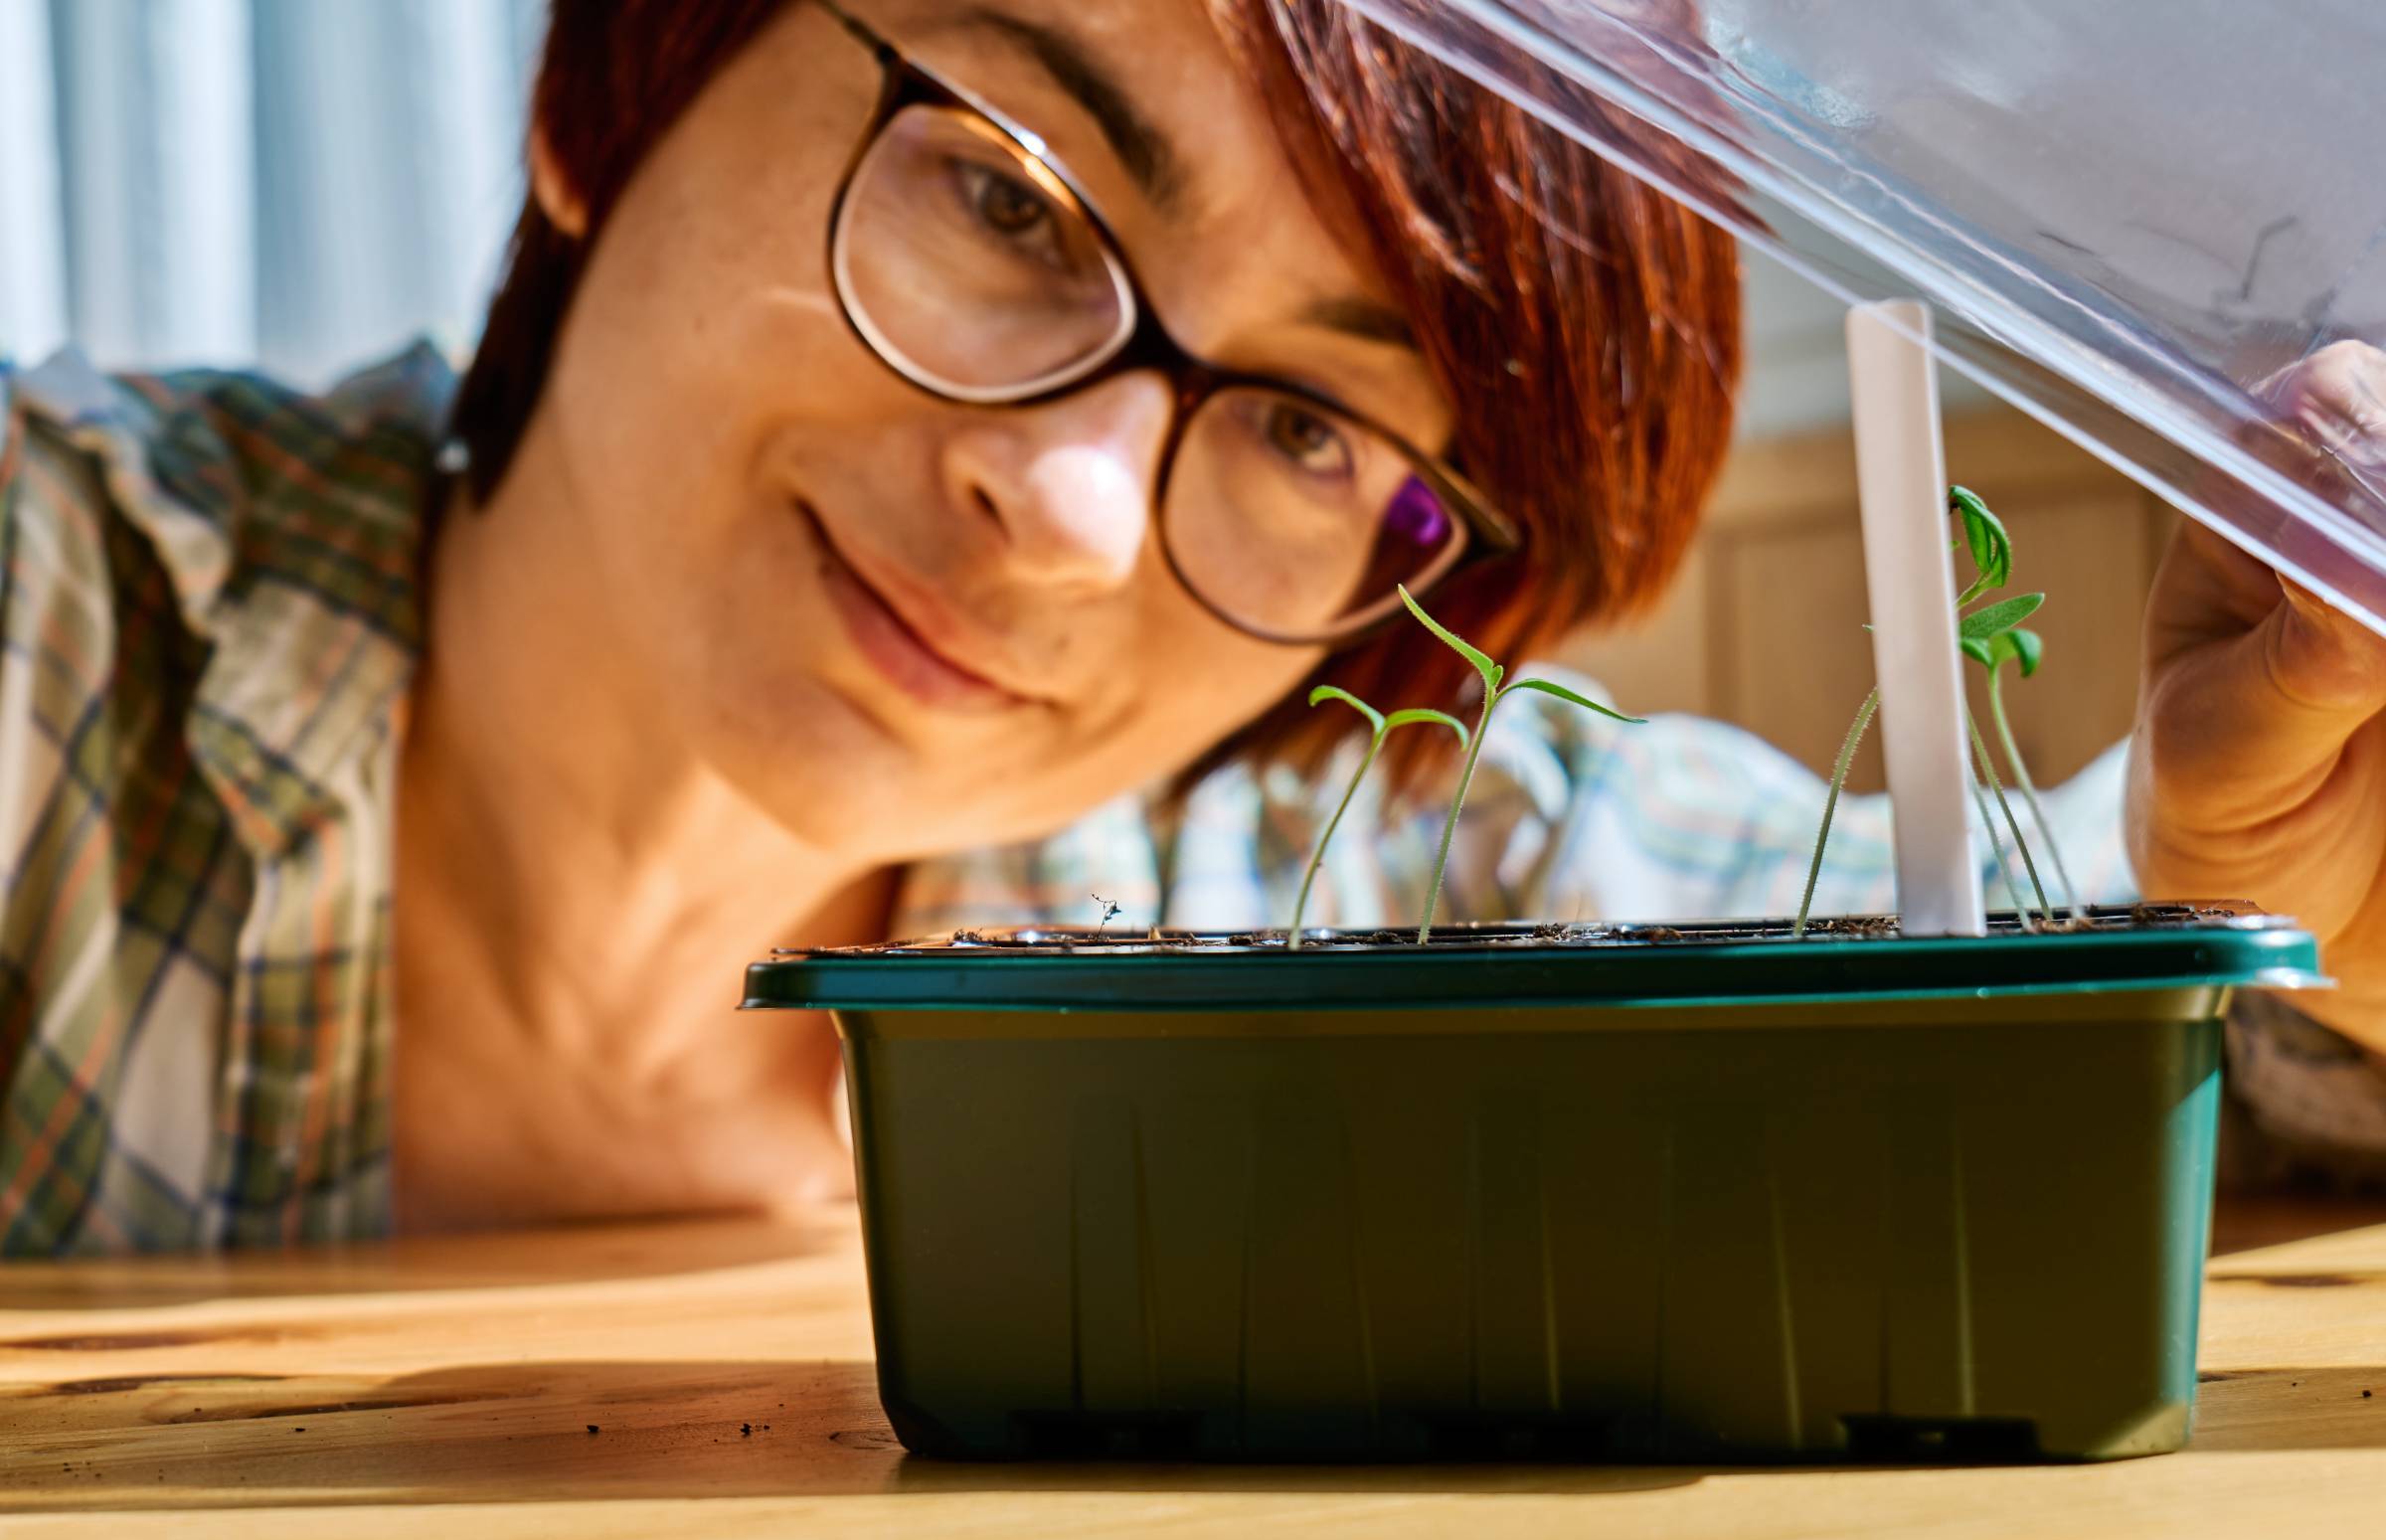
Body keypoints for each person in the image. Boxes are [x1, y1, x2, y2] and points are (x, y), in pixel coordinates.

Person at [0, 0, 2380, 1255]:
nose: (1059, 506)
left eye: (1313, 435)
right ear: (625, 83)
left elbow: (2036, 973)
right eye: (1008, 199)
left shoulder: (1324, 899)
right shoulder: (55, 649)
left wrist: (2318, 925)